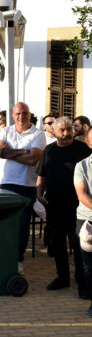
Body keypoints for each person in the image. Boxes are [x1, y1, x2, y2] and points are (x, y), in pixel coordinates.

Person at [36, 117, 91, 292]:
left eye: (69, 129)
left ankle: (82, 281)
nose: (66, 133)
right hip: (54, 204)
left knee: (77, 243)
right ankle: (62, 278)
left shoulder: (82, 149)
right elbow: (41, 174)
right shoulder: (49, 150)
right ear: (55, 131)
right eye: (62, 130)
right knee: (57, 242)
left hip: (77, 206)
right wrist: (39, 193)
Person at [0, 102, 45, 275]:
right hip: (4, 183)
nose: (21, 116)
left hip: (26, 186)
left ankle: (17, 261)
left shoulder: (39, 134)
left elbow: (33, 160)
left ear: (30, 114)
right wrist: (23, 151)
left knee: (21, 226)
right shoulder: (5, 131)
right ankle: (3, 258)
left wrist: (10, 152)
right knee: (3, 224)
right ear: (13, 115)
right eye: (17, 113)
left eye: (24, 113)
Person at [73, 128, 92, 314]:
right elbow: (82, 194)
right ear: (89, 144)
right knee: (89, 265)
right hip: (87, 221)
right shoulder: (82, 166)